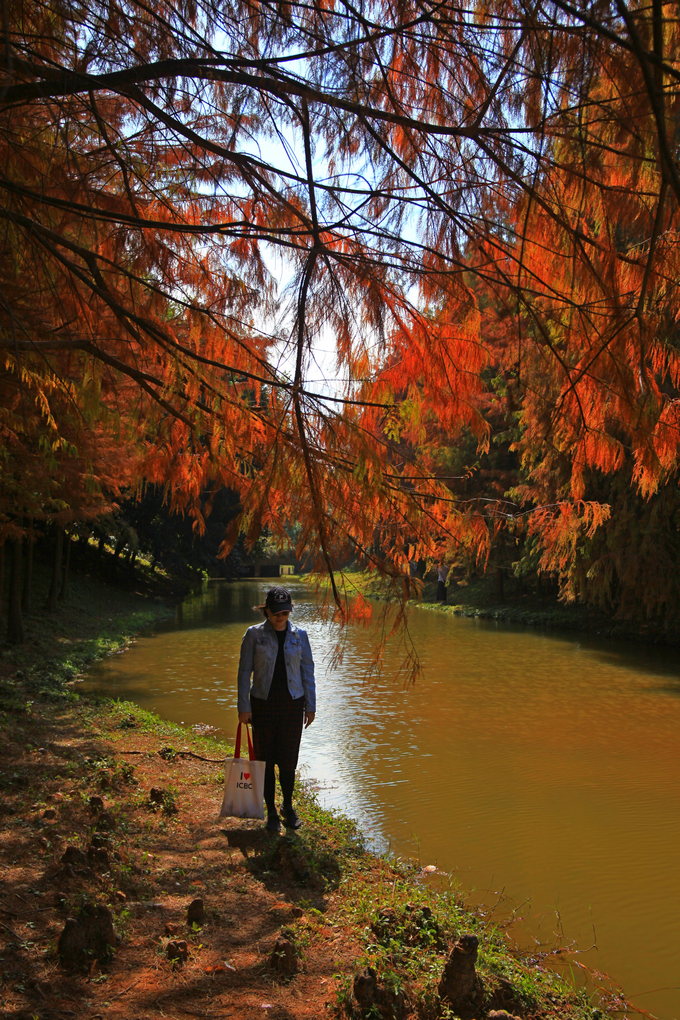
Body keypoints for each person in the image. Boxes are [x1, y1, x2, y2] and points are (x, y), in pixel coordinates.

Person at [236, 586, 316, 833]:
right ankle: (270, 809)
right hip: (263, 704)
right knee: (266, 759)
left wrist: (311, 706)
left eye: (285, 613)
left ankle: (288, 807)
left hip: (293, 704)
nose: (281, 618)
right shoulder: (254, 635)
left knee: (288, 760)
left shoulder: (299, 635)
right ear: (267, 612)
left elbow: (307, 672)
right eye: (276, 614)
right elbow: (243, 673)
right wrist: (244, 707)